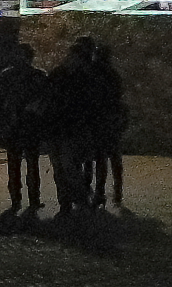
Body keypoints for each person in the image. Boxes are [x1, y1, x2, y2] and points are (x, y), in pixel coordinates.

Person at [45, 35, 101, 213]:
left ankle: (77, 199)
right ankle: (67, 202)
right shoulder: (63, 75)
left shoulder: (82, 77)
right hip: (60, 126)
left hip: (71, 128)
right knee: (62, 167)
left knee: (68, 166)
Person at [0, 43, 48, 211]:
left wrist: (2, 121)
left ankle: (22, 200)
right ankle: (27, 199)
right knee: (25, 164)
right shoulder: (35, 76)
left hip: (21, 126)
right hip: (23, 126)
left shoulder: (9, 76)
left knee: (21, 164)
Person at [88, 42, 128, 207]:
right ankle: (116, 192)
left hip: (99, 119)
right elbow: (119, 94)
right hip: (111, 118)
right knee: (114, 158)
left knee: (101, 158)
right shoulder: (112, 74)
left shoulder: (93, 74)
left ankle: (100, 192)